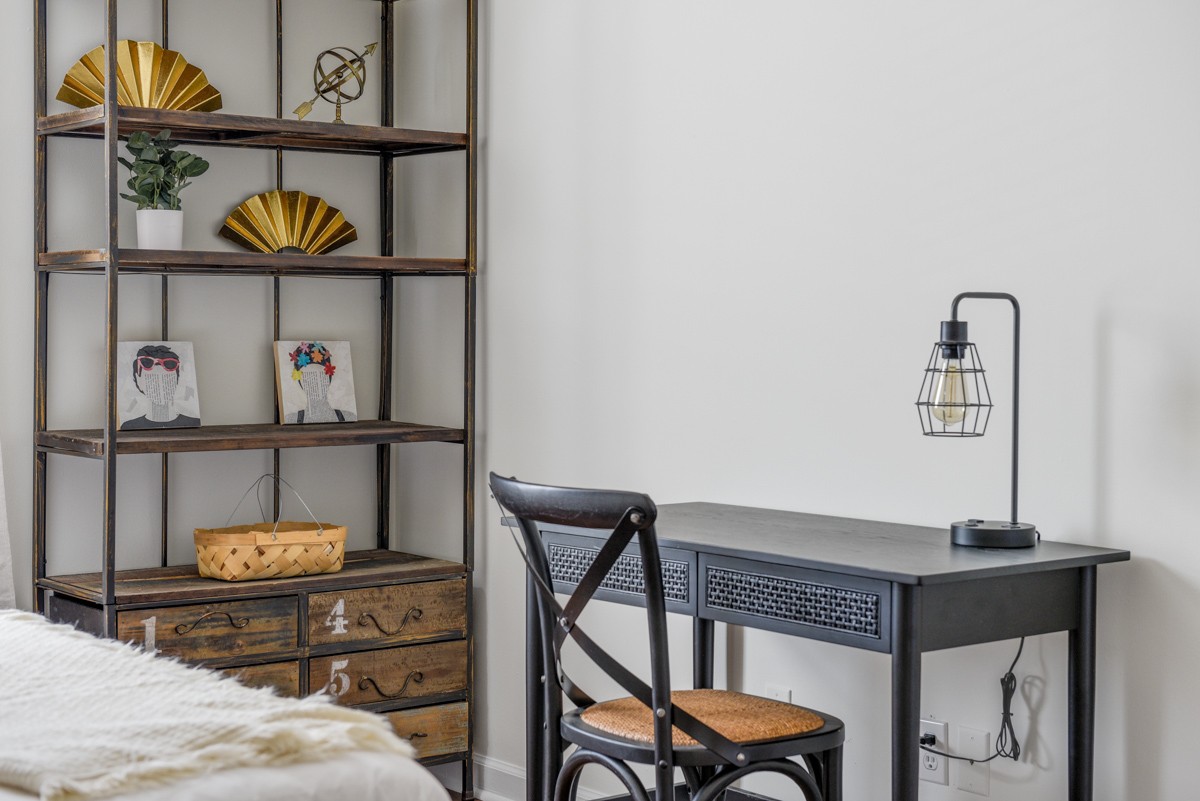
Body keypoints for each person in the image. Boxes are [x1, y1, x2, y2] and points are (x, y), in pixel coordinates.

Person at [120, 344, 200, 430]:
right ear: (138, 380)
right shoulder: (129, 427)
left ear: (177, 380)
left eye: (166, 379)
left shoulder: (193, 424)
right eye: (152, 379)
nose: (160, 386)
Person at [284, 341, 357, 424]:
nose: (314, 383)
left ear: (329, 378)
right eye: (308, 378)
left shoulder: (349, 417)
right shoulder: (290, 419)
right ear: (300, 382)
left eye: (321, 376)